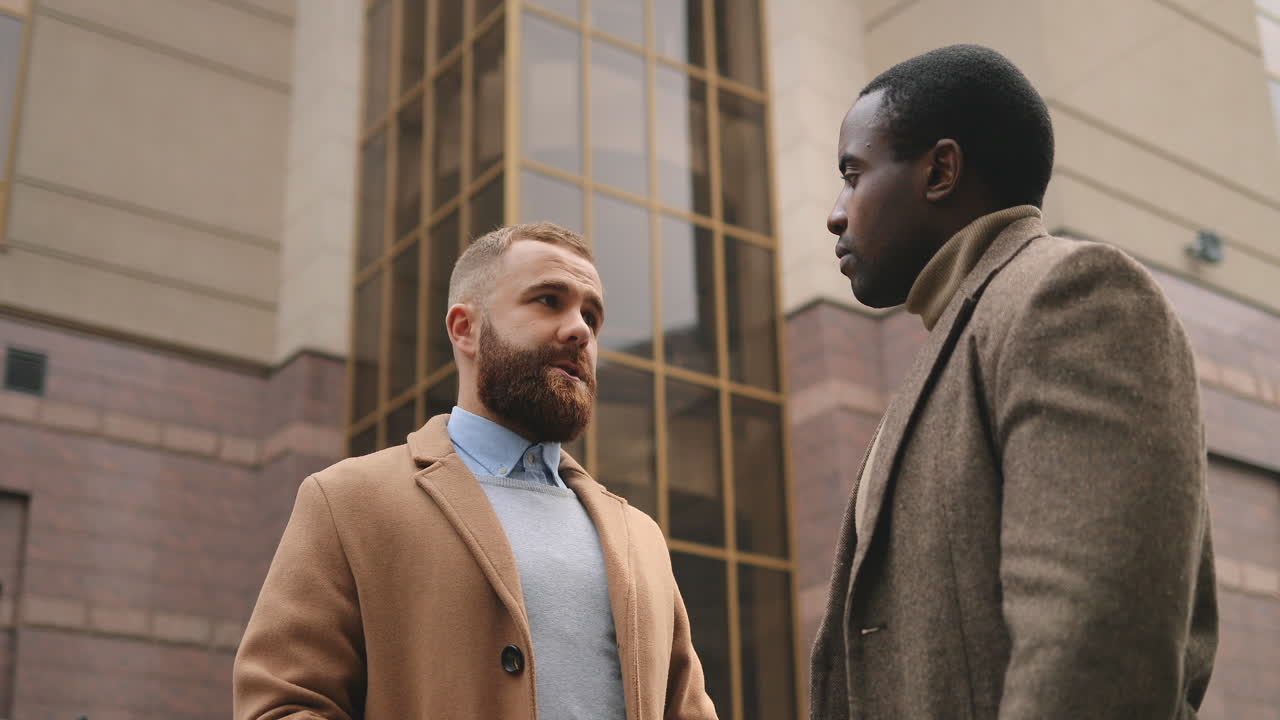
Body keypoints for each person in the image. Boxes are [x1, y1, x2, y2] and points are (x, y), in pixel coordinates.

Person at [810, 45, 1217, 719]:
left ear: (940, 170)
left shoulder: (1071, 296)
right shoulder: (959, 341)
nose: (836, 211)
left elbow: (1095, 639)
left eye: (854, 175)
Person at [234, 222, 717, 720]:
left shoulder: (642, 538)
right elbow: (283, 705)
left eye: (591, 317)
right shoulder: (347, 500)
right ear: (465, 328)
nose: (580, 331)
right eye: (549, 300)